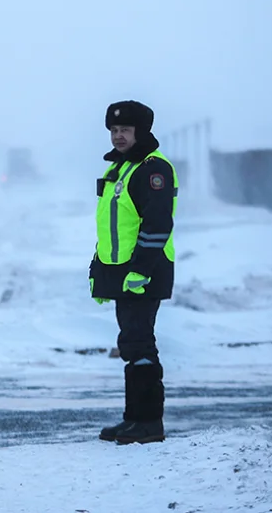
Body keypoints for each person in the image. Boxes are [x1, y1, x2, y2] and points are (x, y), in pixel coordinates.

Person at [89, 100, 177, 445]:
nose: (118, 136)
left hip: (146, 271)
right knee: (130, 344)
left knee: (141, 344)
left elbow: (157, 224)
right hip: (122, 272)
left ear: (141, 131)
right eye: (113, 130)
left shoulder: (153, 169)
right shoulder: (119, 170)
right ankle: (134, 419)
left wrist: (140, 271)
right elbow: (112, 227)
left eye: (125, 130)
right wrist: (101, 272)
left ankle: (150, 422)